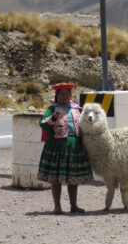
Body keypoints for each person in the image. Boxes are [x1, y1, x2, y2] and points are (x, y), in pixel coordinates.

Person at [37, 82, 92, 214]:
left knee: (73, 178)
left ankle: (74, 206)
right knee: (56, 178)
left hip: (74, 146)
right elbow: (43, 123)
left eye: (67, 93)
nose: (64, 96)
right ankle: (57, 206)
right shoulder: (52, 109)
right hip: (57, 146)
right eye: (62, 93)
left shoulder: (77, 109)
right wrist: (53, 117)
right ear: (57, 95)